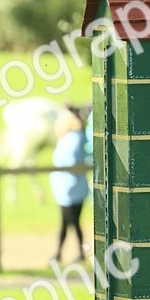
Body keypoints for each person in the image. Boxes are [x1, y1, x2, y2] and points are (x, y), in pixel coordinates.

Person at [50, 108, 90, 263]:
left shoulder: (73, 138)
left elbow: (70, 160)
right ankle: (67, 253)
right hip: (67, 188)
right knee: (70, 223)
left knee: (70, 222)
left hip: (71, 188)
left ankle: (67, 253)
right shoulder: (70, 138)